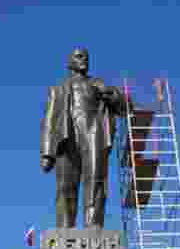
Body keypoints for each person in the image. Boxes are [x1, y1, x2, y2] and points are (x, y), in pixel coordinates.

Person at [41, 47, 126, 229]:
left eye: (86, 57)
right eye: (79, 57)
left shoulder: (98, 84)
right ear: (69, 62)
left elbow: (125, 108)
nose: (84, 60)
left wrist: (112, 95)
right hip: (66, 136)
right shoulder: (57, 89)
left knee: (96, 179)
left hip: (93, 133)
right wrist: (47, 153)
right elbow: (49, 121)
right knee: (65, 184)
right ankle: (64, 228)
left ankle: (93, 226)